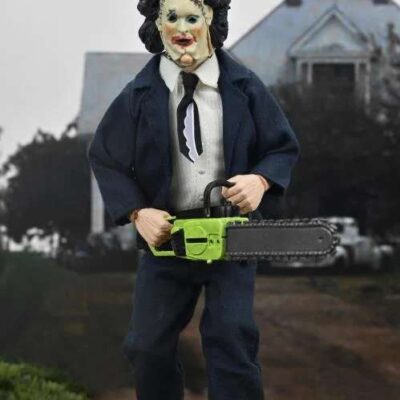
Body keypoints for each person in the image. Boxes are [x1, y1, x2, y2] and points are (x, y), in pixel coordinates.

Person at [87, 0, 299, 398]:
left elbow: (280, 147)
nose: (182, 28)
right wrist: (137, 212)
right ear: (156, 24)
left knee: (231, 338)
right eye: (171, 17)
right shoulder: (138, 95)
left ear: (211, 20)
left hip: (231, 236)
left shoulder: (245, 87)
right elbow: (106, 157)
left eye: (192, 17)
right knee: (146, 345)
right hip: (168, 239)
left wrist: (260, 180)